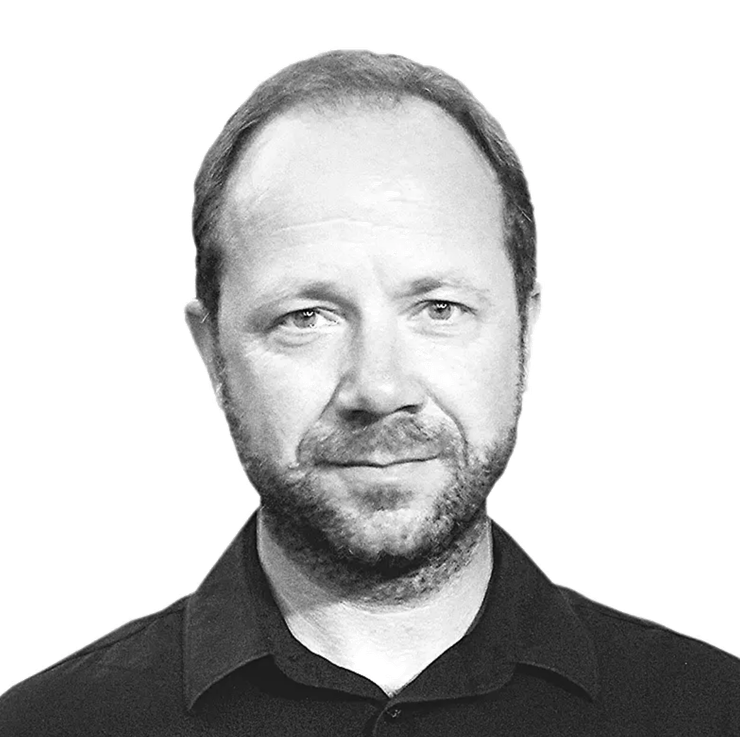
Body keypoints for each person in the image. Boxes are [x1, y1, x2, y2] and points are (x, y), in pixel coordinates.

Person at [1, 48, 737, 736]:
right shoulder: (44, 726)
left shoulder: (714, 711)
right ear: (211, 352)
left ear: (527, 328)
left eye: (440, 308)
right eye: (306, 318)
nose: (379, 388)